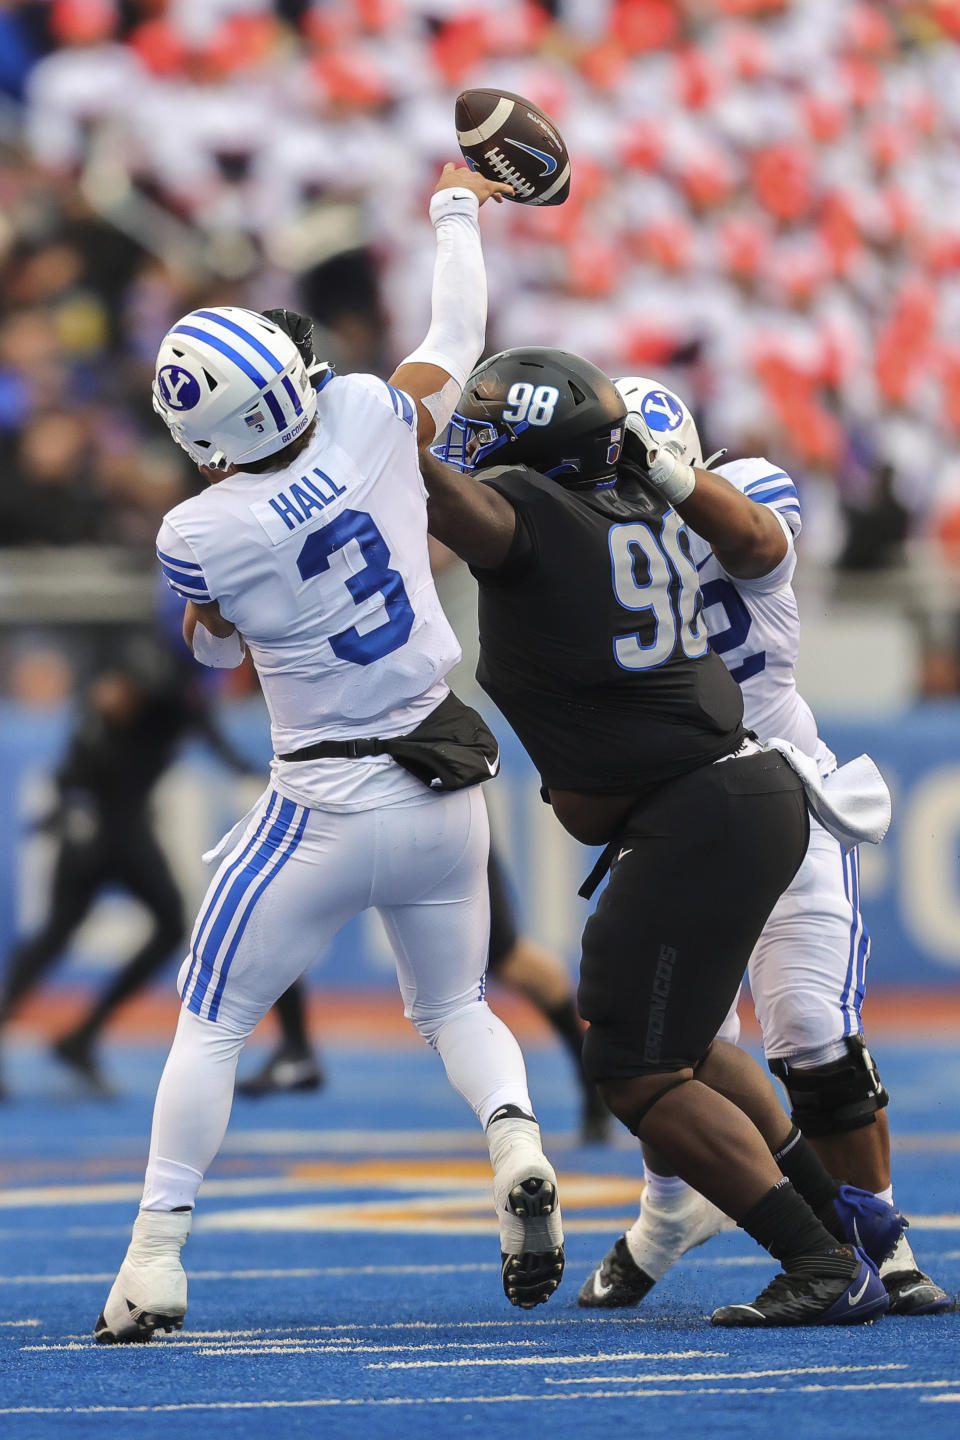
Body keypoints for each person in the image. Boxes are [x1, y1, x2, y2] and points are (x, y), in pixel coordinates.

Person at [94, 164, 565, 1344]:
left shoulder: (196, 527)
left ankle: (154, 1259)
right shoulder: (362, 411)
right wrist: (458, 204)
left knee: (210, 1021)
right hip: (443, 773)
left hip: (322, 798)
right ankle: (514, 1136)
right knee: (456, 1001)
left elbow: (209, 656)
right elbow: (458, 328)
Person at [421, 343, 903, 1327]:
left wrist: (353, 436)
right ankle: (843, 1241)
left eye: (491, 426)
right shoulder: (628, 511)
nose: (471, 442)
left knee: (635, 1066)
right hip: (722, 797)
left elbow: (454, 501)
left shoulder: (548, 518)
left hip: (704, 809)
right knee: (683, 1046)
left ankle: (821, 1260)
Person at [576, 376, 949, 1316]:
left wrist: (659, 477)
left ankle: (883, 1240)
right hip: (679, 820)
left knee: (811, 1032)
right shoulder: (586, 552)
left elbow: (754, 538)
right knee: (674, 1046)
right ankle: (668, 1212)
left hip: (785, 803)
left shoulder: (741, 496)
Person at [0, 648, 253, 1099]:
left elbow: (213, 742)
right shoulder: (163, 672)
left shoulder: (184, 690)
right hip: (104, 827)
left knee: (81, 932)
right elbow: (113, 705)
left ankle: (85, 1035)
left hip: (112, 825)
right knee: (64, 934)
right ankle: (83, 1036)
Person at [236, 843, 612, 1143]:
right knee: (272, 919)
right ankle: (296, 1048)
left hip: (430, 800)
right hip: (347, 797)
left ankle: (589, 1074)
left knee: (502, 955)